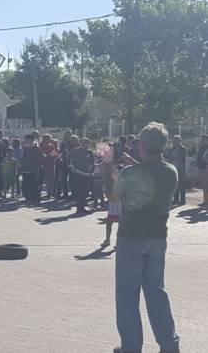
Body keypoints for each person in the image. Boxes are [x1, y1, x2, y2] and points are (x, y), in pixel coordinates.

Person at [110, 122, 180, 353]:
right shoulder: (171, 172)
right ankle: (169, 345)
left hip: (131, 237)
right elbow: (149, 174)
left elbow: (113, 197)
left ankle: (131, 347)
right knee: (156, 292)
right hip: (157, 238)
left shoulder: (129, 174)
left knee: (127, 294)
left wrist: (109, 168)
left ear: (140, 145)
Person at [68, 136, 95, 214]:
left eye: (86, 143)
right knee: (78, 191)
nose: (84, 144)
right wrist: (72, 169)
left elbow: (92, 162)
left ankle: (82, 206)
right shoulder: (74, 151)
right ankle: (79, 207)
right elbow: (69, 161)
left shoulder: (89, 152)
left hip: (86, 174)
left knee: (84, 191)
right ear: (80, 143)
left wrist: (91, 168)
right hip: (76, 174)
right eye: (83, 143)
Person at [164, 135, 187, 206]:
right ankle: (176, 199)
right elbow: (166, 155)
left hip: (181, 168)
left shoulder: (183, 148)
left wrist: (175, 159)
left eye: (176, 140)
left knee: (182, 185)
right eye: (174, 140)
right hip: (173, 168)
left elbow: (182, 158)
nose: (174, 141)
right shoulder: (171, 148)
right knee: (175, 184)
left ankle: (182, 200)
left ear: (180, 141)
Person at [20, 134, 42, 205]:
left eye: (28, 139)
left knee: (34, 184)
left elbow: (40, 157)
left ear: (32, 140)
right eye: (26, 140)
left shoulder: (36, 148)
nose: (27, 141)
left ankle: (36, 199)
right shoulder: (24, 148)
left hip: (34, 169)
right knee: (25, 184)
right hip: (25, 169)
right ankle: (28, 198)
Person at [40, 134, 58, 199]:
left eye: (48, 139)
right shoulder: (40, 146)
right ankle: (39, 192)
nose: (47, 140)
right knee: (42, 179)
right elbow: (40, 154)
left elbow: (54, 153)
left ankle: (49, 193)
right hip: (42, 164)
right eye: (45, 139)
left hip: (51, 164)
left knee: (50, 179)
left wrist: (52, 155)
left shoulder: (51, 146)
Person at [198, 135, 208, 208]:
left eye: (204, 140)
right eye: (202, 140)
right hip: (202, 168)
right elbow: (199, 157)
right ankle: (205, 201)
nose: (203, 141)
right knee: (204, 186)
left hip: (206, 168)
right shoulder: (201, 148)